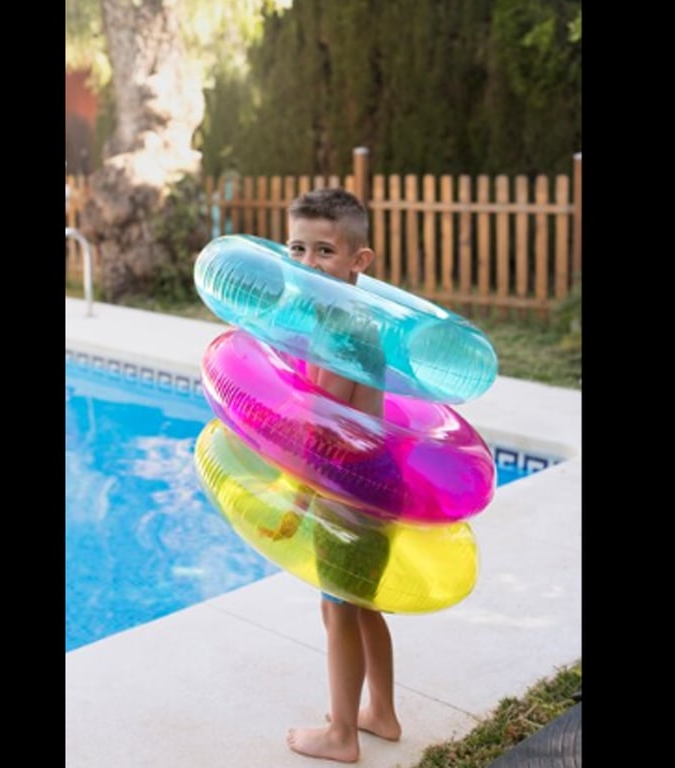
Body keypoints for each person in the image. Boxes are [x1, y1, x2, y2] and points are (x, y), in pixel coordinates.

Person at [259, 187, 402, 763]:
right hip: (371, 477)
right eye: (297, 248)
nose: (307, 263)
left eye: (324, 251)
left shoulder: (342, 331)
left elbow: (320, 432)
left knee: (337, 608)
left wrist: (294, 504)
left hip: (350, 485)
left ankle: (343, 734)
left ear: (358, 260)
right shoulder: (340, 317)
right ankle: (381, 713)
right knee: (360, 604)